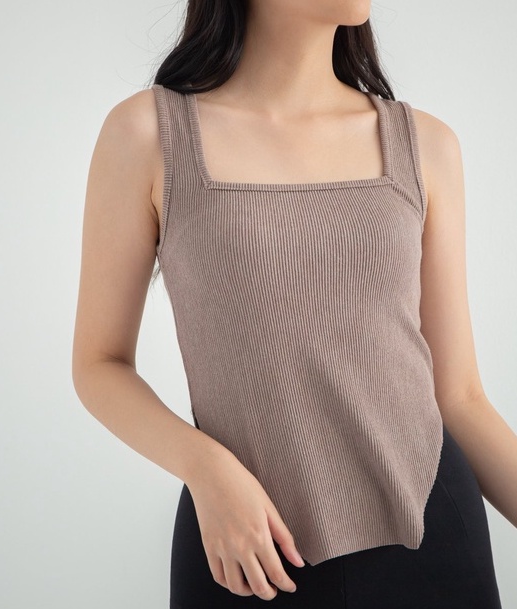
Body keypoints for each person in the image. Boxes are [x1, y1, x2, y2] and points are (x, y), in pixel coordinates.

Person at [71, 1, 517, 607]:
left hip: (430, 537)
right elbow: (99, 364)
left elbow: (459, 396)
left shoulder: (426, 145)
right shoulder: (148, 134)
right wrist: (206, 469)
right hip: (245, 546)